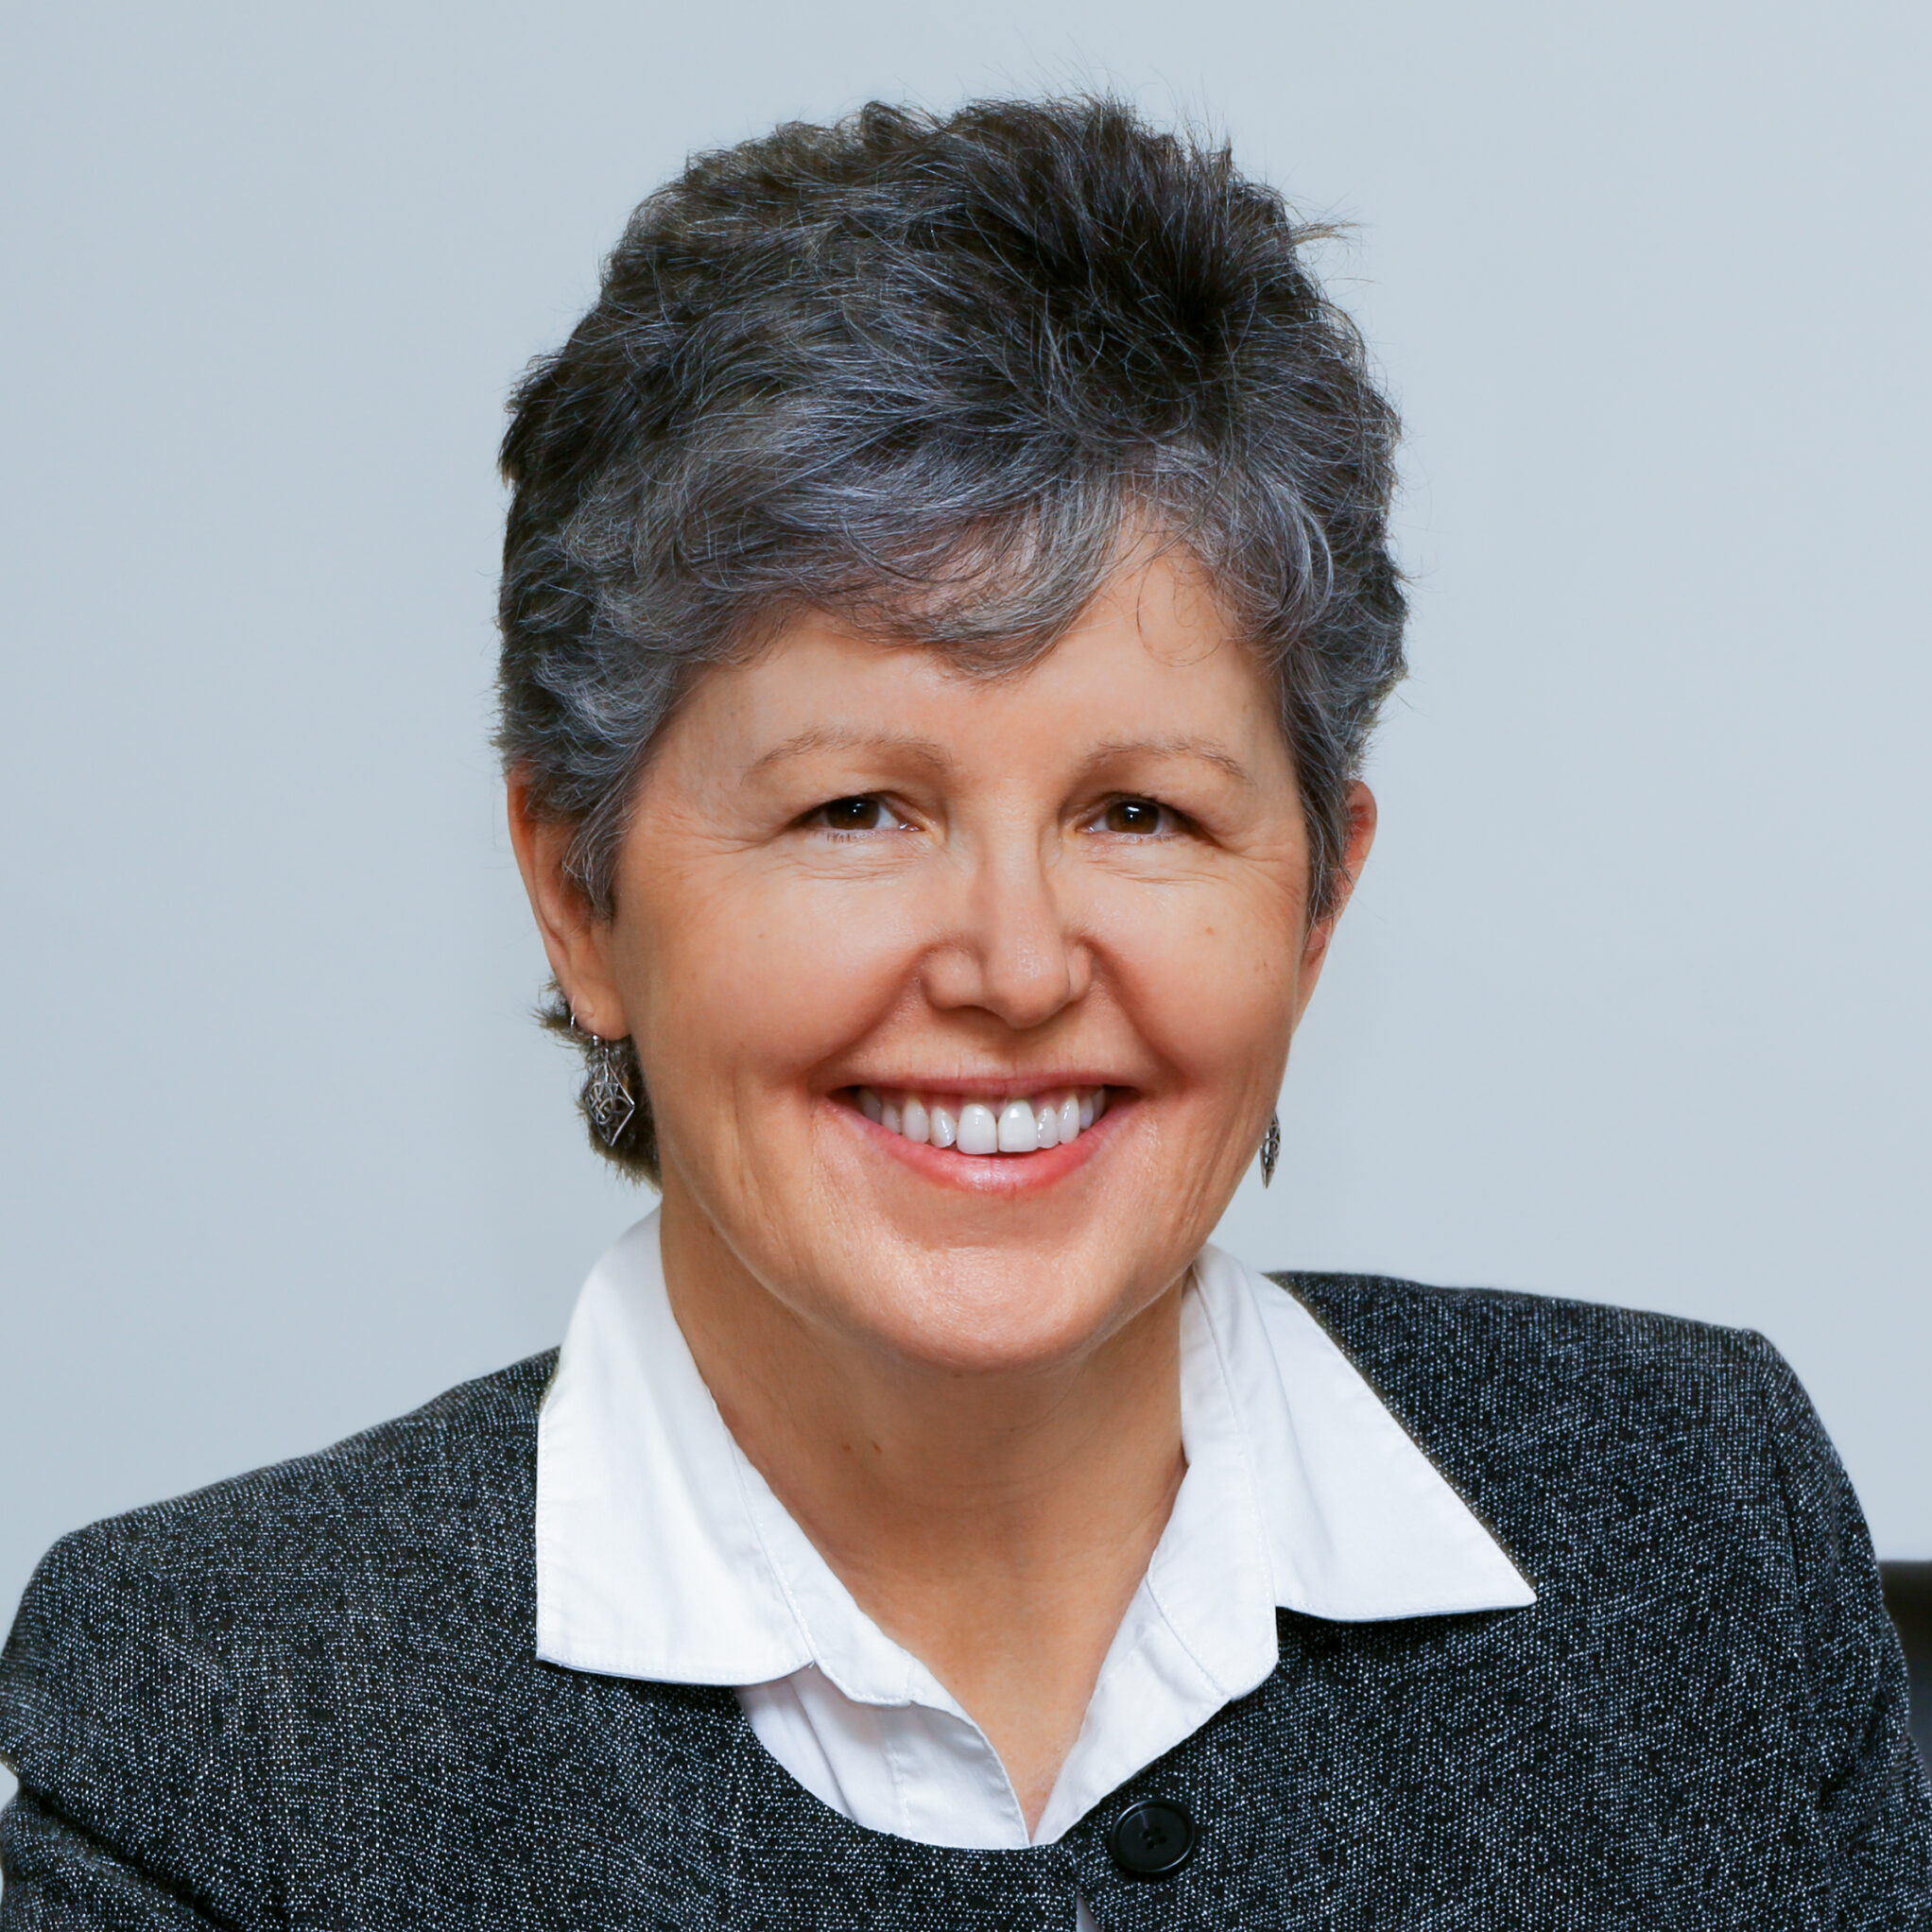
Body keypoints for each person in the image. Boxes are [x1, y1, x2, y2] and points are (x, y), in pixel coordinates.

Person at [2, 96, 1926, 1930]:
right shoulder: (223, 1722)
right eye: (856, 810)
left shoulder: (1694, 1528)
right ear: (574, 886)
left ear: (1316, 894)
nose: (1011, 964)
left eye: (1138, 812)